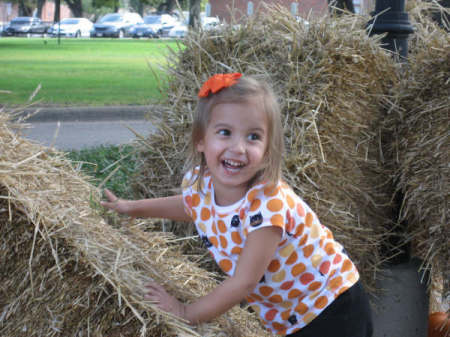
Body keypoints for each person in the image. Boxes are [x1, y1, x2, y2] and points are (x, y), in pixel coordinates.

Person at [101, 73, 373, 337]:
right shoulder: (202, 183)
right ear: (200, 140)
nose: (239, 147)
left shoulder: (267, 207)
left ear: (268, 151)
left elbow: (243, 282)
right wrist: (133, 208)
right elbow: (193, 207)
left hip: (332, 307)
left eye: (253, 137)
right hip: (290, 315)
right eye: (225, 132)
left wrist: (184, 312)